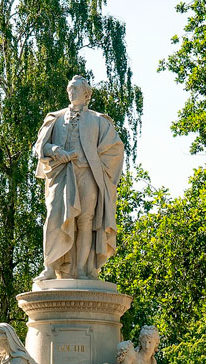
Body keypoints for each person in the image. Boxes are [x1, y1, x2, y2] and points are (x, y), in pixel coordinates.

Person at [32, 75, 125, 281]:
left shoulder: (99, 120)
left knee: (86, 221)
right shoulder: (55, 118)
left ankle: (83, 270)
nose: (71, 92)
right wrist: (55, 150)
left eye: (75, 89)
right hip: (63, 174)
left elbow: (116, 149)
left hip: (88, 174)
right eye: (69, 89)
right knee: (54, 218)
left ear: (86, 93)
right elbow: (40, 146)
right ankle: (51, 267)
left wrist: (98, 165)